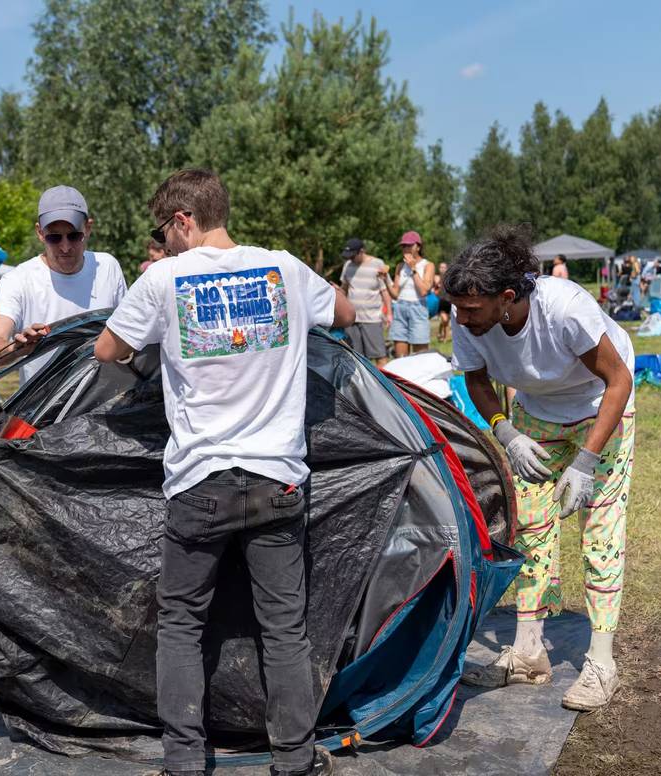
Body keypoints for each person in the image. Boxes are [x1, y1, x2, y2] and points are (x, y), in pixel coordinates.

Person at [94, 169, 353, 776]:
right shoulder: (284, 268)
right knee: (284, 628)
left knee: (182, 624)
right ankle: (295, 761)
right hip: (278, 478)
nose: (166, 240)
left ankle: (183, 763)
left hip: (199, 481)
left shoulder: (163, 278)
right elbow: (344, 312)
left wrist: (153, 347)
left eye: (165, 229)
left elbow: (108, 350)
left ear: (184, 220)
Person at [448, 225, 635, 713]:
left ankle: (601, 661)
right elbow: (476, 378)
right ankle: (529, 652)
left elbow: (619, 380)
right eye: (459, 308)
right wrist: (505, 432)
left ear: (507, 297)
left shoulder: (564, 308)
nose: (462, 319)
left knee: (600, 531)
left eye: (472, 310)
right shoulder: (466, 313)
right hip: (537, 414)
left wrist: (587, 461)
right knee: (530, 527)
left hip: (602, 407)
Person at [0, 185, 127, 383]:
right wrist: (17, 349)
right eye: (54, 237)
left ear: (88, 228)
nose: (65, 247)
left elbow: (126, 332)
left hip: (104, 405)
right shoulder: (17, 280)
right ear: (40, 233)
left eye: (74, 235)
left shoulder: (108, 267)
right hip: (44, 411)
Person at [339, 237, 392, 365]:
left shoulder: (377, 264)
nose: (350, 259)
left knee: (380, 356)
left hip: (372, 319)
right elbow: (344, 289)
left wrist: (389, 313)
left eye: (353, 255)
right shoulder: (347, 265)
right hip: (352, 320)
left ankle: (382, 384)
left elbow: (384, 291)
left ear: (362, 251)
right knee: (356, 357)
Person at [382, 230, 435, 356]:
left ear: (418, 246)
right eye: (403, 246)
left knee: (420, 356)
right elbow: (395, 294)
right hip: (400, 308)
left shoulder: (428, 265)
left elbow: (423, 291)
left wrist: (413, 269)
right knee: (401, 358)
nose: (405, 248)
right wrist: (385, 279)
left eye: (409, 245)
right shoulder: (400, 266)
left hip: (418, 308)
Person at [435, 261, 451, 342]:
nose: (443, 269)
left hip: (449, 301)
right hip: (440, 301)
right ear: (439, 269)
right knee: (445, 320)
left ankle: (442, 334)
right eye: (441, 267)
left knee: (446, 320)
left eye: (444, 267)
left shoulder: (450, 278)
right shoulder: (436, 277)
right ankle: (445, 338)